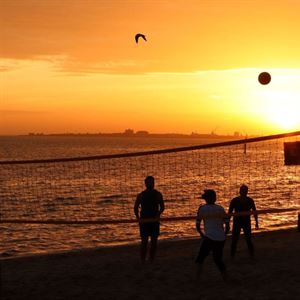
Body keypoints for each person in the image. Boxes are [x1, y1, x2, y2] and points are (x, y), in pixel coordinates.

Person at [195, 189, 229, 280]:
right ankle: (225, 276)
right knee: (218, 260)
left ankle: (197, 278)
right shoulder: (220, 208)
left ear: (206, 199)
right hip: (221, 238)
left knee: (200, 259)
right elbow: (228, 225)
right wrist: (224, 234)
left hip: (210, 237)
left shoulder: (202, 209)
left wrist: (201, 234)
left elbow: (197, 225)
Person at [134, 176, 165, 263]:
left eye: (153, 182)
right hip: (144, 221)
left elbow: (162, 207)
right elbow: (135, 208)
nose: (152, 183)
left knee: (154, 242)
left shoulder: (158, 194)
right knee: (144, 242)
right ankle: (143, 260)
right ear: (146, 184)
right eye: (150, 182)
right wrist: (138, 218)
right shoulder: (141, 195)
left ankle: (151, 259)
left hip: (154, 221)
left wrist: (158, 214)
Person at [228, 184, 259, 258]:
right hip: (237, 222)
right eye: (242, 190)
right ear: (240, 191)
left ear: (247, 192)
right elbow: (230, 212)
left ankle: (252, 255)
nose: (244, 192)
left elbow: (254, 211)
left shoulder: (250, 200)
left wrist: (257, 222)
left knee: (248, 239)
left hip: (246, 222)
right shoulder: (234, 200)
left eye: (245, 190)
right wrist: (227, 223)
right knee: (235, 240)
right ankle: (232, 256)